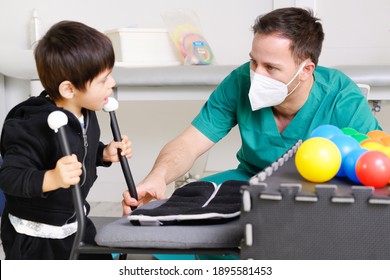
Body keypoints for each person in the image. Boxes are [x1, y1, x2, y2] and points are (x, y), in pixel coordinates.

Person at [122, 7, 381, 212]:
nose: (256, 74)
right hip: (249, 181)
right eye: (253, 61)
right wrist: (158, 176)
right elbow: (189, 143)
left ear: (306, 70)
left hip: (317, 190)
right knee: (178, 212)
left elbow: (375, 162)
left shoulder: (341, 97)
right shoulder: (239, 81)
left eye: (271, 67)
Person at [0, 21, 132, 259]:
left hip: (76, 222)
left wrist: (103, 154)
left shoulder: (85, 112)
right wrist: (51, 178)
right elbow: (9, 177)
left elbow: (78, 149)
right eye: (103, 80)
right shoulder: (29, 125)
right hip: (36, 237)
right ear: (69, 89)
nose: (112, 84)